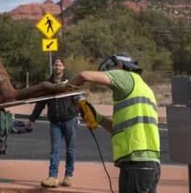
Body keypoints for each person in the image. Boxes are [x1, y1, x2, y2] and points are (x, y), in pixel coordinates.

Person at [70, 54, 160, 193]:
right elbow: (118, 129)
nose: (108, 73)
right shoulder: (143, 88)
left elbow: (84, 75)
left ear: (119, 65)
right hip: (147, 163)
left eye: (109, 69)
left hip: (136, 161)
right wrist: (97, 118)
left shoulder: (125, 77)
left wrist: (63, 89)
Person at [29, 57, 79, 187]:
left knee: (70, 150)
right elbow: (40, 104)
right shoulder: (47, 84)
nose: (57, 67)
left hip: (69, 120)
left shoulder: (69, 83)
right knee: (55, 149)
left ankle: (68, 175)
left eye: (59, 65)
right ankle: (52, 177)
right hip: (55, 122)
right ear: (53, 67)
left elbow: (79, 100)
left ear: (63, 67)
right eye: (55, 65)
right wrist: (32, 119)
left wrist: (85, 115)